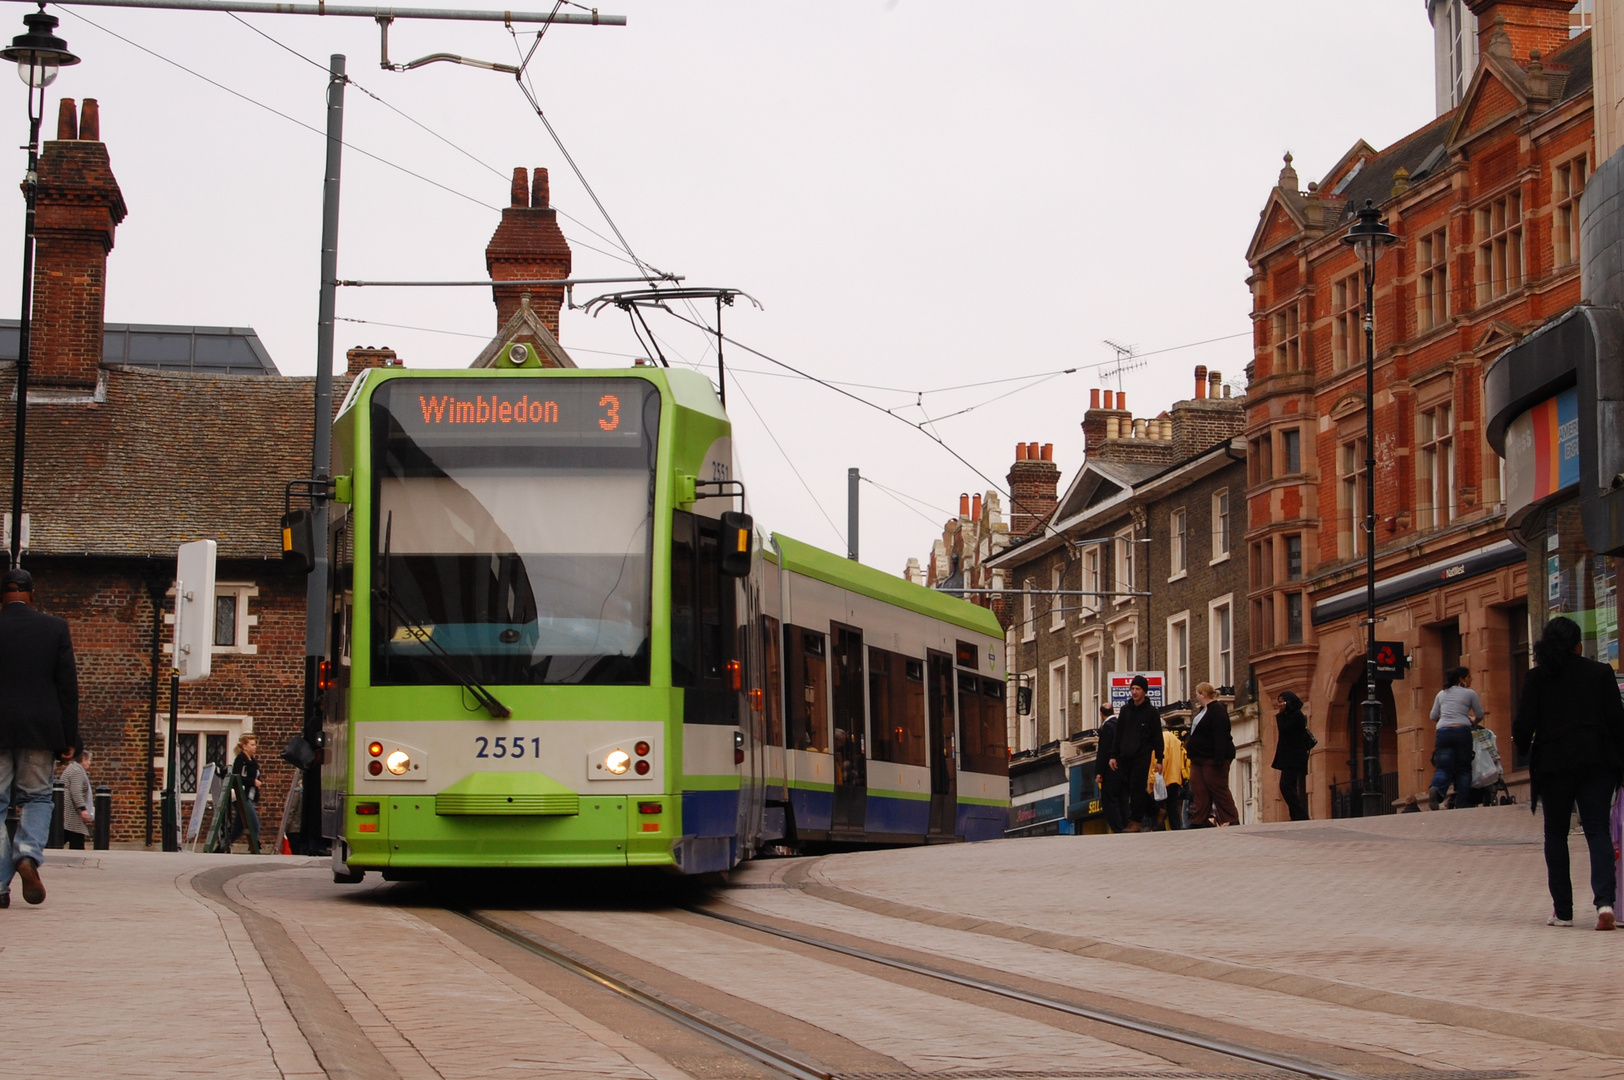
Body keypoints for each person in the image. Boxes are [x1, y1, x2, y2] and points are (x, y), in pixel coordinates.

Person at [1512, 616, 1624, 931]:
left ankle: (1563, 911)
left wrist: (1522, 745)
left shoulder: (1537, 677)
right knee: (1598, 831)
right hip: (1596, 762)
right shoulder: (1600, 673)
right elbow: (1617, 723)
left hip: (1554, 764)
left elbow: (1524, 724)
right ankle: (1604, 902)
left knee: (1556, 834)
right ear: (1578, 645)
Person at [0, 567, 79, 907]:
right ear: (32, 594)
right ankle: (27, 853)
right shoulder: (55, 628)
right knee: (37, 798)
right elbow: (67, 687)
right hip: (40, 729)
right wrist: (70, 737)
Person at [1428, 666, 1484, 810]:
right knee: (1463, 769)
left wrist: (1446, 720)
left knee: (1443, 767)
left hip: (1443, 731)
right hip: (1462, 731)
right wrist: (1472, 721)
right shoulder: (1470, 693)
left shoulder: (1441, 694)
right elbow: (1480, 714)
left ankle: (1436, 788)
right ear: (1461, 679)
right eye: (1469, 676)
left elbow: (1433, 716)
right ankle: (1462, 803)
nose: (1471, 679)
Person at [1111, 676, 1163, 832]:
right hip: (1125, 754)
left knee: (1137, 785)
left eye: (1138, 689)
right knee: (1130, 787)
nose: (1134, 692)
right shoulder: (1125, 710)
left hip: (1142, 753)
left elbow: (1157, 737)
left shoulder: (1151, 712)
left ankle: (1135, 821)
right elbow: (1118, 733)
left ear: (1144, 691)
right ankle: (1156, 811)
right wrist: (1113, 755)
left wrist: (1159, 759)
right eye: (1132, 688)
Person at [1186, 682, 1239, 827]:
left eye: (1197, 693)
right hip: (1198, 758)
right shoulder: (1202, 711)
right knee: (1199, 788)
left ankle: (1231, 817)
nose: (1196, 695)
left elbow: (1220, 735)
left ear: (1202, 694)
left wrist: (1219, 759)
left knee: (1217, 787)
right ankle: (1199, 820)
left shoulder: (1217, 711)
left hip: (1212, 758)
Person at [1272, 690, 1311, 821]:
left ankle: (1300, 814)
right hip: (1289, 756)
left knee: (1286, 785)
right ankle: (1295, 815)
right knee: (1290, 785)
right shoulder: (1289, 715)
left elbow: (1283, 729)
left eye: (1282, 702)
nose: (1280, 706)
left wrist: (1280, 715)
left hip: (1294, 756)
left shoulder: (1296, 716)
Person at [1094, 703, 1128, 833]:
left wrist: (1099, 772)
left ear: (1101, 713)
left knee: (1109, 799)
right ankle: (1126, 825)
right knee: (1122, 798)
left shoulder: (1107, 727)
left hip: (1110, 769)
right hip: (1123, 768)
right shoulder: (1120, 725)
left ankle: (1118, 827)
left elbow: (1104, 751)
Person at [223, 735, 262, 851]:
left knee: (239, 827)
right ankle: (255, 847)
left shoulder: (253, 761)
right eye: (252, 745)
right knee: (254, 822)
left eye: (255, 744)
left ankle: (223, 846)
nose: (255, 747)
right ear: (245, 747)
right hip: (241, 796)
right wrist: (253, 782)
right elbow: (237, 777)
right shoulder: (241, 759)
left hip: (249, 795)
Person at [1151, 720, 1189, 829]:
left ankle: (1161, 831)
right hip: (1175, 777)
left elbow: (1158, 760)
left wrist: (1153, 779)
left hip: (1162, 778)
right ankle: (1176, 829)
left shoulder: (1160, 739)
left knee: (1159, 809)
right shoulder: (1175, 739)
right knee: (1172, 807)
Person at [60, 747, 92, 850]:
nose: (89, 763)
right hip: (71, 813)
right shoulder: (77, 771)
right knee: (76, 838)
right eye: (89, 760)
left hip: (67, 814)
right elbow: (76, 791)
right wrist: (82, 808)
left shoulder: (72, 768)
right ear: (83, 760)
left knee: (64, 836)